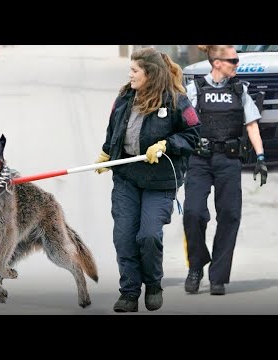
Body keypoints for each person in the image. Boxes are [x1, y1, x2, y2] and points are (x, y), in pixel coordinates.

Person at [95, 47, 201, 312]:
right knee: (124, 236)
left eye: (135, 71)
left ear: (150, 73)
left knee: (149, 236)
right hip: (127, 177)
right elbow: (114, 129)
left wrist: (167, 144)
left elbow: (194, 134)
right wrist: (107, 153)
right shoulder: (123, 98)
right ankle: (129, 293)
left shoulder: (176, 101)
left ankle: (153, 285)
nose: (129, 75)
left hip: (160, 180)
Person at [183, 45, 268, 296]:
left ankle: (218, 277)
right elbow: (182, 124)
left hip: (229, 161)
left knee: (230, 215)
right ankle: (196, 266)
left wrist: (260, 157)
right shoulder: (195, 90)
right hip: (199, 160)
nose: (237, 64)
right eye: (233, 60)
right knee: (193, 213)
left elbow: (251, 125)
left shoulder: (239, 90)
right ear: (217, 62)